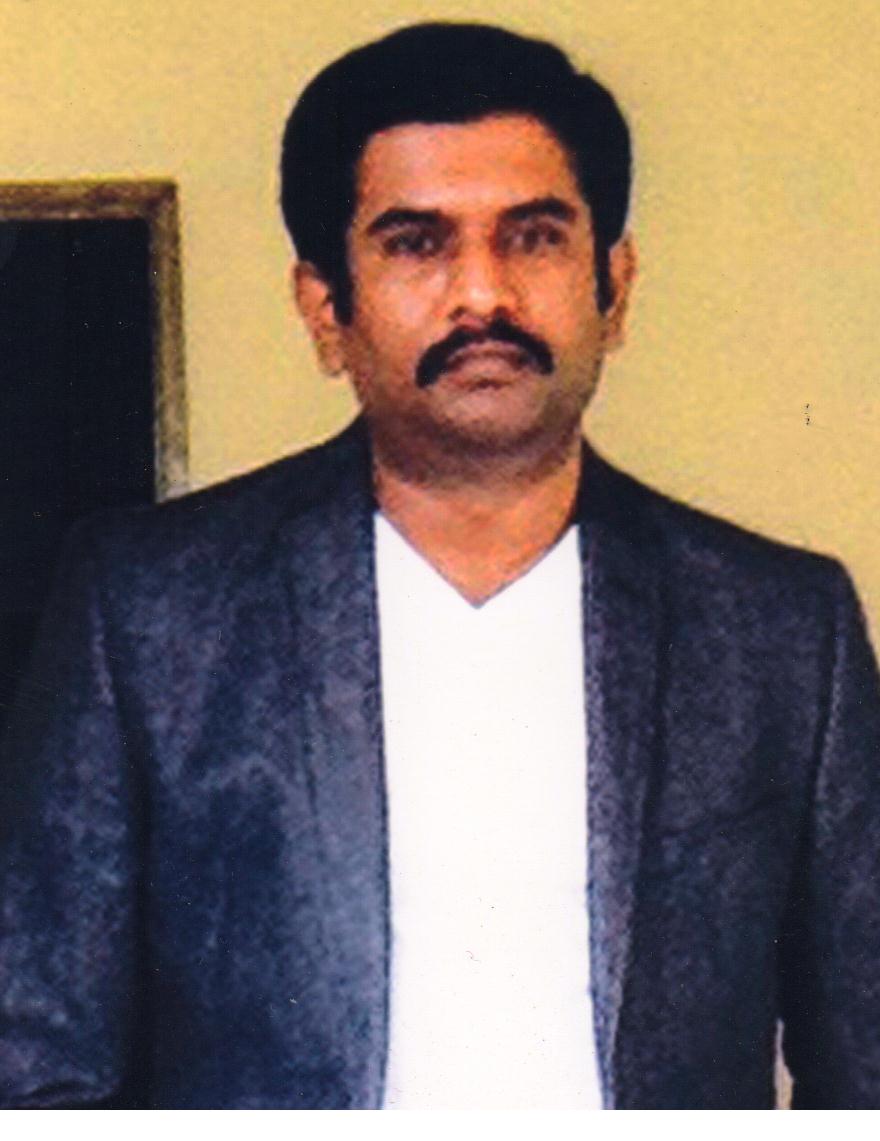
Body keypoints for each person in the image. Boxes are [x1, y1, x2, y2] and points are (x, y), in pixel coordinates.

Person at [1, 22, 879, 1111]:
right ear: (326, 310)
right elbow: (35, 1069)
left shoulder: (777, 631)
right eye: (417, 243)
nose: (483, 296)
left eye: (534, 238)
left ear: (614, 287)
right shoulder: (152, 614)